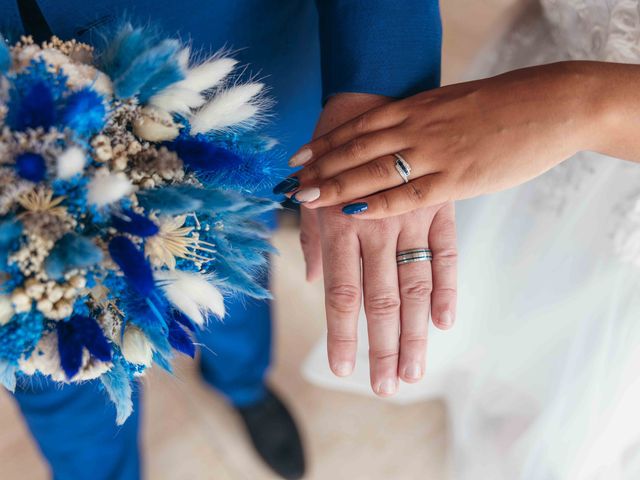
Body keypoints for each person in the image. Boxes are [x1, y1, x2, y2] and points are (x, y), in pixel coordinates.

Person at [1, 1, 444, 479]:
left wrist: (376, 95)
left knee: (222, 266)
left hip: (197, 69)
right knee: (52, 373)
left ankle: (243, 383)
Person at [293, 0, 640, 478]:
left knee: (608, 335)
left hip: (546, 119)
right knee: (506, 265)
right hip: (525, 84)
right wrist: (374, 90)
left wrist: (582, 105)